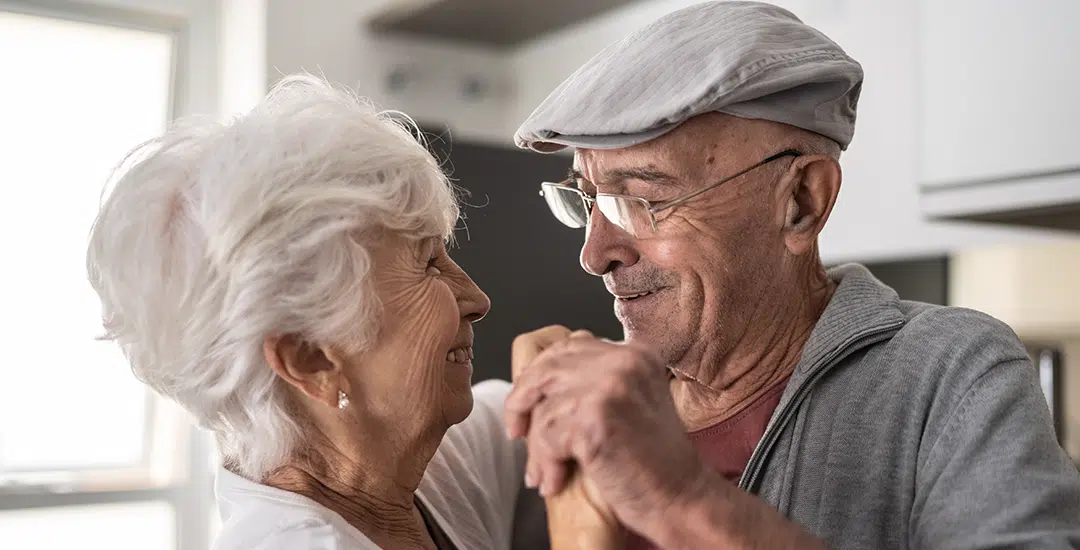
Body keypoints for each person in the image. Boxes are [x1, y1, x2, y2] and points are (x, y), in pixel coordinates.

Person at [504, 2, 1080, 549]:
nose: (596, 253)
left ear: (802, 200)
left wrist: (679, 500)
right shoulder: (590, 409)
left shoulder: (952, 374)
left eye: (641, 199)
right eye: (588, 199)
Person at [85, 75, 527, 550]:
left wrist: (570, 373)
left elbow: (553, 409)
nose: (477, 299)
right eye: (428, 264)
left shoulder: (430, 465)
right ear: (310, 359)